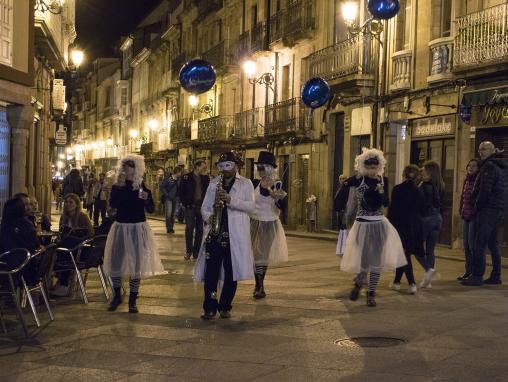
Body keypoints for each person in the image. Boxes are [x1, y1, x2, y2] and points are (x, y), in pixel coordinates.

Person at [335, 148, 406, 307]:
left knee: (376, 261)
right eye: (369, 167)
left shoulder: (383, 180)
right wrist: (344, 188)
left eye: (375, 167)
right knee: (365, 259)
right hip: (362, 224)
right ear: (363, 166)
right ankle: (359, 283)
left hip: (379, 224)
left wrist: (381, 193)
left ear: (379, 166)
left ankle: (371, 293)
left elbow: (386, 202)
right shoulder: (358, 179)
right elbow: (342, 192)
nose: (372, 170)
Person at [194, 152, 255, 320]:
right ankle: (210, 306)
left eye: (228, 166)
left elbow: (251, 206)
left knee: (231, 271)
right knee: (211, 273)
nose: (224, 170)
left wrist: (230, 200)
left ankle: (225, 306)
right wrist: (208, 217)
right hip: (215, 233)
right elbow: (205, 208)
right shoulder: (214, 184)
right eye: (221, 167)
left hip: (234, 235)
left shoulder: (246, 184)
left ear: (236, 166)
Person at [103, 154, 165, 313]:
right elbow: (113, 205)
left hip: (138, 228)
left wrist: (146, 199)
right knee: (116, 262)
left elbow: (151, 209)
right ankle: (117, 295)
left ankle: (132, 299)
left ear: (135, 168)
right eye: (124, 165)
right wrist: (120, 185)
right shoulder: (118, 186)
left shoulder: (141, 186)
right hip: (121, 226)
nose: (126, 168)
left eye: (129, 165)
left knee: (137, 264)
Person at [462, 141, 507, 286]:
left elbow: (485, 190)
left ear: (492, 150)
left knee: (478, 243)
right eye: (480, 149)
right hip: (497, 209)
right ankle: (496, 275)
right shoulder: (498, 166)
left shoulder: (488, 166)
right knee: (493, 243)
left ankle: (477, 276)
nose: (480, 152)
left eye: (484, 149)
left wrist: (476, 205)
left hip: (488, 210)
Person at [250, 151, 288, 299]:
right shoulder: (253, 183)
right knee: (254, 254)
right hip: (254, 222)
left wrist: (276, 198)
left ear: (270, 168)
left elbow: (283, 206)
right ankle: (258, 285)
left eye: (263, 167)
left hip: (270, 223)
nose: (260, 170)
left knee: (262, 254)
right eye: (259, 167)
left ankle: (260, 285)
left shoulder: (278, 184)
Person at [387, 165, 423, 294]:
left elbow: (392, 210)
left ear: (403, 174)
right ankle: (396, 282)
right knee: (403, 254)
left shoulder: (397, 189)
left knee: (403, 254)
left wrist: (390, 225)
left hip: (400, 226)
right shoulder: (418, 191)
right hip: (413, 227)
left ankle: (412, 283)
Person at [52, 193, 94, 297]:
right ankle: (61, 280)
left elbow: (90, 235)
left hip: (81, 250)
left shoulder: (82, 217)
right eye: (66, 202)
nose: (68, 204)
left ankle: (64, 283)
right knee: (57, 250)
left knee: (63, 247)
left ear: (76, 204)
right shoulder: (64, 217)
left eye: (71, 202)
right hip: (68, 249)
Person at [0, 198, 41, 286]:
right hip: (29, 268)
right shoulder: (27, 224)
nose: (29, 207)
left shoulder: (7, 227)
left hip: (14, 271)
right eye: (26, 205)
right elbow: (35, 244)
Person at [416, 161, 444, 289]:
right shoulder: (440, 184)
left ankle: (428, 270)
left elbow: (421, 203)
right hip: (437, 218)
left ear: (429, 172)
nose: (421, 171)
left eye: (424, 169)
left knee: (416, 248)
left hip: (425, 219)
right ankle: (428, 280)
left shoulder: (424, 185)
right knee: (430, 250)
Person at [179, 160, 210, 260]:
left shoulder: (205, 178)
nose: (204, 169)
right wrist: (184, 203)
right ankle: (189, 251)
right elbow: (181, 191)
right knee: (189, 229)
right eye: (203, 167)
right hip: (190, 206)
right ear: (197, 166)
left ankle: (196, 253)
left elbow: (208, 192)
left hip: (201, 207)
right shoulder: (186, 177)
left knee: (200, 230)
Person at [458, 159, 480, 281]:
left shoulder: (478, 180)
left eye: (474, 166)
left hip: (474, 216)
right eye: (469, 166)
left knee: (472, 245)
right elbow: (462, 197)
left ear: (478, 168)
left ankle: (475, 272)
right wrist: (460, 209)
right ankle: (468, 271)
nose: (471, 168)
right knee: (466, 245)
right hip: (465, 215)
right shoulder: (466, 180)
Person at [160, 167, 182, 234]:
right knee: (168, 214)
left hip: (176, 199)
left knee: (173, 214)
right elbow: (162, 187)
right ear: (177, 172)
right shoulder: (168, 179)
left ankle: (171, 227)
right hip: (168, 199)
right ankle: (169, 228)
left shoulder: (179, 180)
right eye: (180, 172)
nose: (181, 173)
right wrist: (166, 195)